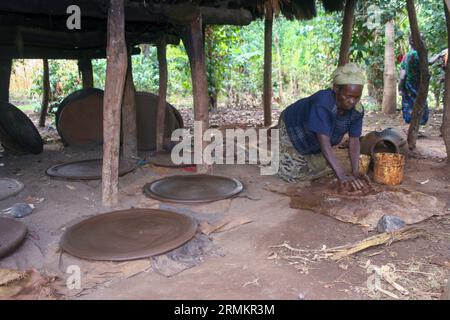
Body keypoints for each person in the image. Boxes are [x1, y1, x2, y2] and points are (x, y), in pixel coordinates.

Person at [277, 63, 368, 191]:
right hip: (293, 126)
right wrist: (341, 175)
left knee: (322, 169)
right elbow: (324, 142)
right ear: (336, 89)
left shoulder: (357, 111)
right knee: (292, 176)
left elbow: (354, 140)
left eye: (356, 97)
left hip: (315, 135)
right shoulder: (323, 103)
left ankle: (311, 157)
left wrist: (356, 171)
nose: (352, 101)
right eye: (348, 96)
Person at [398, 35, 429, 125]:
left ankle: (412, 127)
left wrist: (400, 87)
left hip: (408, 86)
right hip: (416, 85)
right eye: (422, 40)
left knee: (409, 106)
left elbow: (402, 75)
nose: (424, 42)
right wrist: (439, 55)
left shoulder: (406, 56)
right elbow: (428, 62)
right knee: (419, 105)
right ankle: (416, 127)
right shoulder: (417, 54)